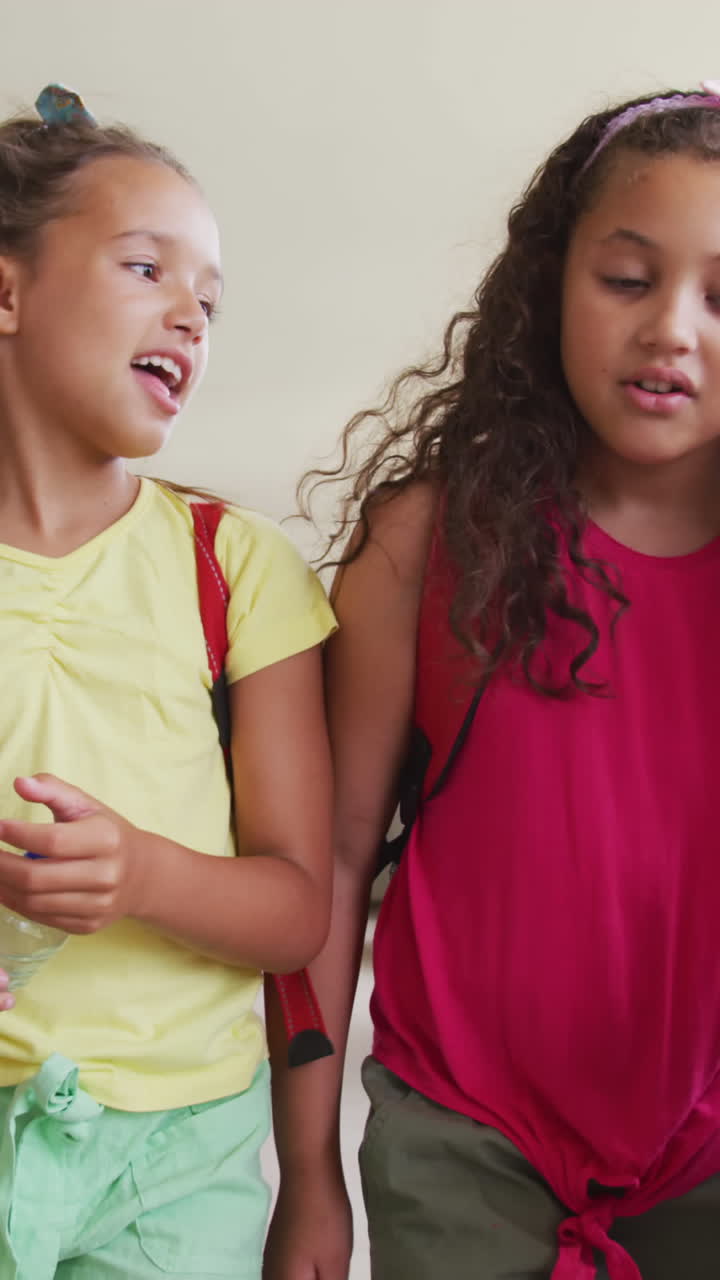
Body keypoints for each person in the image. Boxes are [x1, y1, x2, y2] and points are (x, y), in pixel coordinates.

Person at [264, 81, 720, 1280]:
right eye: (628, 279)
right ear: (550, 283)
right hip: (460, 1140)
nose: (674, 327)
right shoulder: (426, 544)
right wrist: (309, 1178)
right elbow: (328, 863)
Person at [0, 85, 335, 1279]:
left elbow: (300, 906)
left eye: (211, 299)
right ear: (7, 291)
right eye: (148, 269)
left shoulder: (236, 569)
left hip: (173, 1165)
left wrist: (142, 869)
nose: (192, 313)